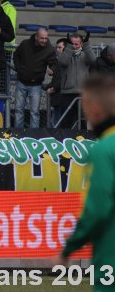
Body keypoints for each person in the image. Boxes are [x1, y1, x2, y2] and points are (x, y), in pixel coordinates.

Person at [54, 74, 115, 289]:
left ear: (96, 108)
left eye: (86, 106)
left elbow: (97, 209)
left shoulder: (104, 149)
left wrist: (69, 248)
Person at [56, 32, 96, 128]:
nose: (74, 46)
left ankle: (82, 141)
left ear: (81, 44)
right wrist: (68, 47)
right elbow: (64, 62)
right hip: (67, 93)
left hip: (83, 93)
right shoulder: (64, 55)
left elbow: (93, 60)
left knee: (83, 121)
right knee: (66, 121)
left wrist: (86, 45)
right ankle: (64, 140)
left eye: (76, 44)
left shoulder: (84, 55)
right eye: (71, 43)